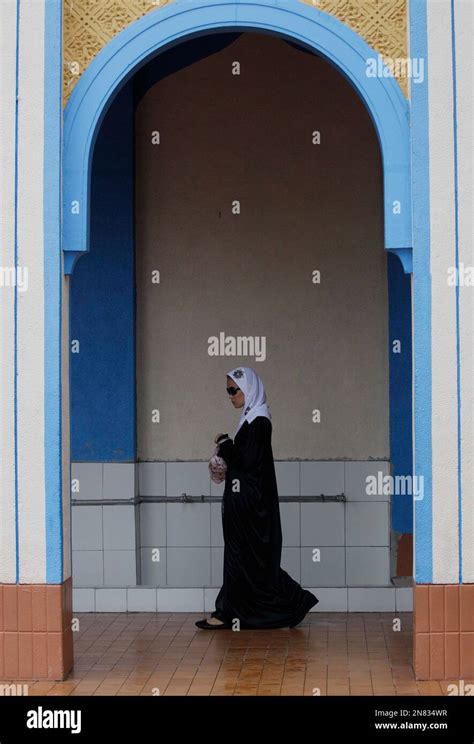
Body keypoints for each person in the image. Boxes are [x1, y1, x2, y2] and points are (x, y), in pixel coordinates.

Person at [195, 366, 319, 630]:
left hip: (251, 509)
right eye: (227, 391)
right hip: (246, 506)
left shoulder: (259, 421)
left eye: (233, 390)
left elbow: (248, 461)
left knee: (251, 561)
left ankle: (289, 603)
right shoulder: (251, 419)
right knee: (245, 560)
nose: (230, 396)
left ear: (248, 389)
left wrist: (226, 443)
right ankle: (231, 612)